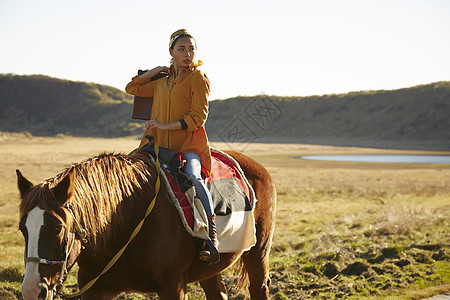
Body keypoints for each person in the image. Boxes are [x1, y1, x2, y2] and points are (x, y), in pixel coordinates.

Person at [125, 29, 219, 264]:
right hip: (155, 145)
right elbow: (132, 88)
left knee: (194, 178)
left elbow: (198, 118)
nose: (188, 54)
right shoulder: (161, 82)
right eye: (181, 49)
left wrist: (162, 126)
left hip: (188, 147)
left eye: (191, 49)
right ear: (171, 52)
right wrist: (156, 71)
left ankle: (211, 234)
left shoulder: (198, 78)